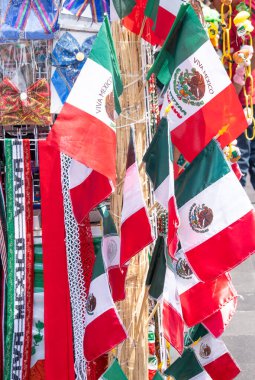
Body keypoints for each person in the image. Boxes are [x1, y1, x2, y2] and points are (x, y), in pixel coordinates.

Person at [212, 0, 255, 189]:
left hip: (244, 97)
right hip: (237, 95)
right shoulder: (227, 13)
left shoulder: (245, 14)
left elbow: (249, 57)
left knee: (240, 158)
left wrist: (234, 91)